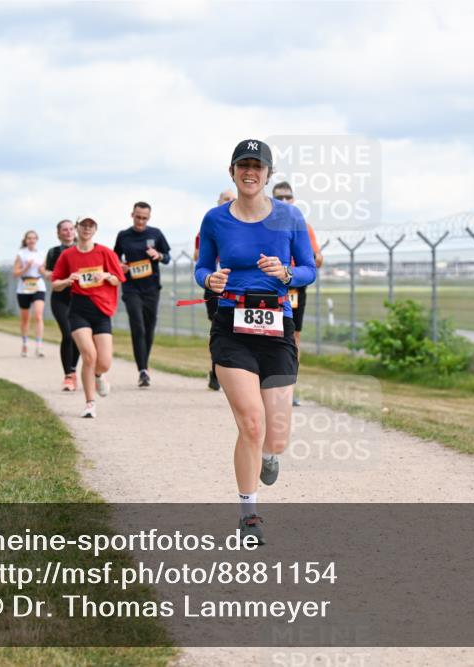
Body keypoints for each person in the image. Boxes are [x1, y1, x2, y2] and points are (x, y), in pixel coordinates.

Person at [194, 139, 315, 544]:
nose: (250, 172)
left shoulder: (290, 216)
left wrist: (285, 274)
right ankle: (249, 515)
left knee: (275, 435)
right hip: (231, 323)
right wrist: (208, 281)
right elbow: (201, 267)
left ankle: (268, 454)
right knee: (251, 421)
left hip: (276, 323)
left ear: (268, 173)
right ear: (232, 172)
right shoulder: (215, 219)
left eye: (258, 166)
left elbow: (309, 270)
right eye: (243, 165)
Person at [51, 217, 125, 418]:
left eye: (90, 226)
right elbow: (55, 283)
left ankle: (99, 376)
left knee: (104, 362)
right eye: (83, 225)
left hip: (101, 310)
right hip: (78, 309)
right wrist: (67, 281)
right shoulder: (68, 255)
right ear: (77, 229)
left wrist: (106, 277)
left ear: (95, 229)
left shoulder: (105, 252)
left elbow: (118, 278)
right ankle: (90, 403)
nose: (86, 229)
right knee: (89, 355)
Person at [271, 181, 323, 406]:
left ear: (294, 200)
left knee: (293, 336)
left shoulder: (302, 225)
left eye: (288, 197)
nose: (284, 201)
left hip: (295, 286)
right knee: (267, 332)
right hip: (270, 285)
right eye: (279, 197)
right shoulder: (262, 224)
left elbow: (316, 260)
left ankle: (289, 387)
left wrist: (312, 257)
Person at [114, 201, 171, 388]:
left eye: (144, 218)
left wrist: (159, 255)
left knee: (149, 327)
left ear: (149, 218)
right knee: (137, 326)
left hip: (151, 288)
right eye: (138, 217)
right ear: (132, 215)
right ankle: (143, 370)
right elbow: (115, 259)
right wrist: (120, 267)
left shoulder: (155, 234)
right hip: (131, 288)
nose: (140, 221)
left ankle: (144, 365)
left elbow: (167, 257)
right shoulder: (123, 236)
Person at [194, 189, 235, 390]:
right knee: (219, 328)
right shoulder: (208, 226)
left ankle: (230, 370)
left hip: (236, 287)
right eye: (226, 199)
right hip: (214, 285)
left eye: (232, 199)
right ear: (218, 201)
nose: (230, 202)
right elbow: (198, 258)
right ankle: (216, 370)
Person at [43, 220, 80, 391]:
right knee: (67, 333)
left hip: (80, 298)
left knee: (79, 336)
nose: (68, 232)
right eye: (64, 230)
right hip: (60, 298)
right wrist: (63, 278)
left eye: (71, 229)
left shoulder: (84, 248)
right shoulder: (54, 252)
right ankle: (67, 376)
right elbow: (50, 274)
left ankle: (72, 371)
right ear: (58, 233)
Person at [13, 230, 47, 358]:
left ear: (37, 240)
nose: (31, 240)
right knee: (25, 318)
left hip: (38, 285)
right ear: (25, 240)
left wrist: (43, 271)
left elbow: (44, 270)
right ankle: (25, 343)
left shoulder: (41, 254)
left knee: (38, 315)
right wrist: (25, 268)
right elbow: (15, 273)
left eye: (33, 238)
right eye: (29, 238)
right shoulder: (21, 254)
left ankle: (39, 346)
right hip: (24, 287)